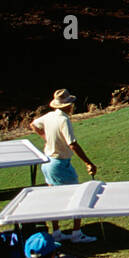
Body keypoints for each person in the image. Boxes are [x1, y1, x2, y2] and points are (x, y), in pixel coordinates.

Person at [30, 89, 98, 242]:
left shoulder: (49, 116)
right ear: (68, 106)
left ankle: (57, 232)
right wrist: (88, 162)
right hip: (58, 164)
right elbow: (72, 144)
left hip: (47, 162)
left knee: (54, 198)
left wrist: (46, 138)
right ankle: (76, 233)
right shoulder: (63, 120)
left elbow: (33, 125)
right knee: (77, 195)